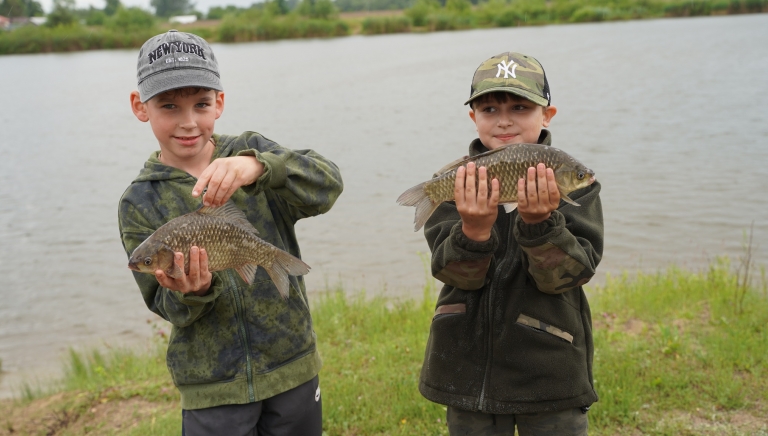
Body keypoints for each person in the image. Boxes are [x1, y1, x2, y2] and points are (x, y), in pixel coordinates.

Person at [118, 30, 343, 436]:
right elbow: (164, 305)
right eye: (169, 106)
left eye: (201, 104)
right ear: (140, 106)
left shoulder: (249, 149)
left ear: (219, 102)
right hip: (212, 388)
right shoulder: (139, 201)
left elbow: (328, 185)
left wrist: (259, 167)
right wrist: (193, 292)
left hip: (291, 362)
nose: (188, 121)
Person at [418, 52, 603, 435]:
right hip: (467, 370)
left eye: (520, 107)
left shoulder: (576, 187)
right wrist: (474, 230)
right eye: (490, 109)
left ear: (547, 115)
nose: (504, 120)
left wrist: (540, 226)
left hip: (550, 370)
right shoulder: (456, 182)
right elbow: (455, 277)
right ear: (473, 117)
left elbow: (569, 277)